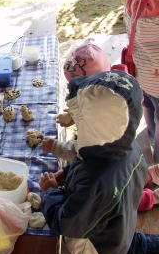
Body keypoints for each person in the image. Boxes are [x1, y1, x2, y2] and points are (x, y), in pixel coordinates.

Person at [39, 70, 159, 254]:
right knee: (126, 243)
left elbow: (68, 223)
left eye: (82, 122)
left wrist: (51, 192)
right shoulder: (126, 145)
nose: (76, 123)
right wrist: (67, 173)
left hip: (98, 250)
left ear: (98, 130)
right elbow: (87, 160)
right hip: (120, 228)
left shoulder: (96, 187)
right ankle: (134, 245)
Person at [43, 39, 159, 212]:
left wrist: (52, 189)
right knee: (133, 176)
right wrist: (67, 173)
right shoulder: (115, 105)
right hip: (126, 164)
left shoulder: (98, 137)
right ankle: (147, 175)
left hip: (114, 186)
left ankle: (151, 196)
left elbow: (83, 150)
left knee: (129, 198)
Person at [123, 0, 159, 164]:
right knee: (150, 110)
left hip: (148, 74)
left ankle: (153, 140)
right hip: (147, 74)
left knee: (152, 111)